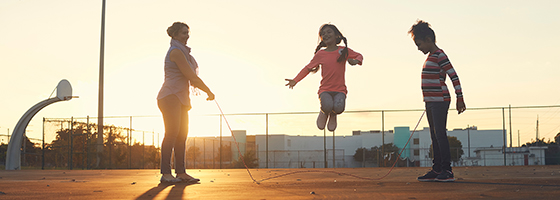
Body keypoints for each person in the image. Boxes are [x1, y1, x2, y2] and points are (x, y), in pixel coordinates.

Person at [157, 22, 215, 184]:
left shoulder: (183, 52)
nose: (187, 36)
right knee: (171, 134)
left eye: (188, 33)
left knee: (182, 135)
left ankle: (181, 172)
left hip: (180, 98)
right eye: (183, 33)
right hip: (170, 97)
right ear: (174, 35)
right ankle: (166, 173)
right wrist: (208, 91)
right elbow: (192, 76)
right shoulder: (176, 52)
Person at [409, 20, 466, 182]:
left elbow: (454, 76)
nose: (418, 48)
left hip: (440, 100)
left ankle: (447, 170)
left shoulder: (440, 55)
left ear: (428, 39)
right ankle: (437, 168)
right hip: (430, 101)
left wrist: (459, 97)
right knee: (434, 135)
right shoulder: (430, 57)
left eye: (419, 44)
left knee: (440, 134)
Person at [285, 24, 363, 132]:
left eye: (329, 32)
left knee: (339, 108)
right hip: (325, 90)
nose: (326, 35)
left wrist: (355, 61)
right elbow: (308, 68)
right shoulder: (321, 54)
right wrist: (295, 80)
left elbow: (359, 55)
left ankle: (333, 114)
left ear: (336, 35)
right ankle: (324, 112)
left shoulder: (343, 51)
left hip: (340, 90)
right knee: (327, 106)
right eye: (323, 34)